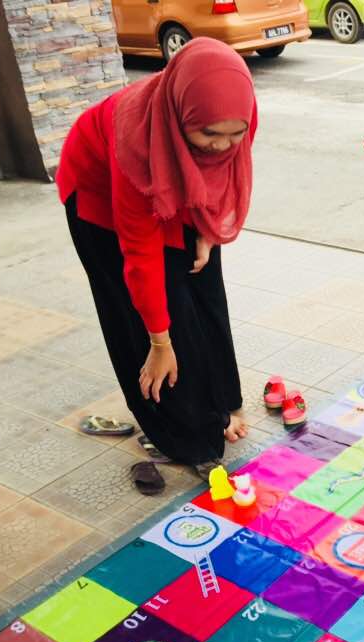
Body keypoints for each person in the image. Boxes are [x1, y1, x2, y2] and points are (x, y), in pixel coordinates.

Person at [55, 38, 256, 473]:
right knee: (154, 316)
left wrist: (208, 230)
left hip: (177, 182)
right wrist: (160, 341)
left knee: (205, 289)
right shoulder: (137, 141)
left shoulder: (233, 114)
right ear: (182, 116)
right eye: (209, 134)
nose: (223, 146)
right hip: (100, 195)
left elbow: (222, 174)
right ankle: (183, 435)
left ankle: (221, 404)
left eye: (235, 134)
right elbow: (140, 256)